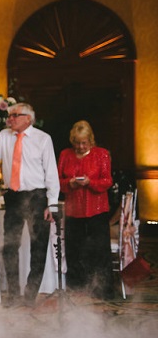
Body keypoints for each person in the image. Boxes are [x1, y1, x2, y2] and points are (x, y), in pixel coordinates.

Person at [0, 102, 59, 308]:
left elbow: (51, 174)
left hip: (37, 198)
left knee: (38, 248)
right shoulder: (3, 136)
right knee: (10, 246)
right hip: (13, 197)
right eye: (9, 115)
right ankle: (13, 295)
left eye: (15, 115)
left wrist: (53, 203)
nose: (10, 119)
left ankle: (30, 297)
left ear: (28, 118)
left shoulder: (43, 139)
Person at [58, 120, 114, 300]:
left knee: (99, 251)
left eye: (84, 143)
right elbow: (57, 181)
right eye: (77, 143)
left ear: (91, 140)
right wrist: (70, 183)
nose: (80, 147)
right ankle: (77, 289)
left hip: (96, 210)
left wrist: (91, 183)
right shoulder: (65, 155)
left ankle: (102, 290)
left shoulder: (102, 154)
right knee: (74, 251)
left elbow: (107, 181)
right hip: (74, 211)